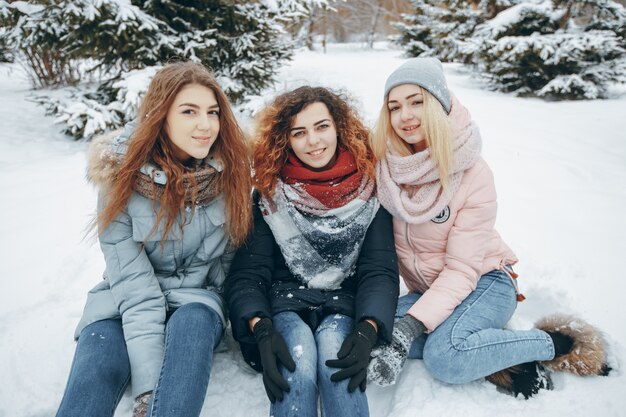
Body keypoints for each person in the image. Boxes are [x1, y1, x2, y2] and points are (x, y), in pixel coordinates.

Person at [367, 57, 610, 399]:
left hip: (485, 281)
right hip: (431, 290)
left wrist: (410, 326)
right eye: (394, 107)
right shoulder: (387, 170)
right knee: (369, 327)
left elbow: (462, 269)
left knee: (444, 357)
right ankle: (481, 349)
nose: (405, 115)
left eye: (417, 102)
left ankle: (555, 342)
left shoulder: (471, 172)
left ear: (438, 105)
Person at [55, 61, 253, 417]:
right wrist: (147, 388)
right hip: (121, 301)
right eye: (189, 111)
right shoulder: (120, 178)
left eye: (212, 112)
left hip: (196, 302)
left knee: (193, 321)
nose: (205, 125)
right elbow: (131, 281)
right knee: (96, 365)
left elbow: (229, 265)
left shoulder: (232, 176)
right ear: (160, 116)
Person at [225, 86, 399, 417]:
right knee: (297, 360)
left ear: (339, 128)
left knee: (338, 360)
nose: (313, 141)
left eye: (322, 127)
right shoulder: (270, 193)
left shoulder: (371, 190)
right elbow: (249, 273)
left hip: (344, 305)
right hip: (285, 303)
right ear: (285, 139)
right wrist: (260, 327)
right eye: (299, 132)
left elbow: (379, 270)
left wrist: (368, 328)